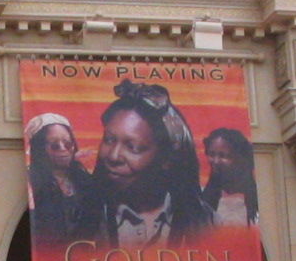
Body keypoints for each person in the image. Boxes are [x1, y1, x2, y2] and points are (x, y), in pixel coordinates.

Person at [74, 79, 212, 246]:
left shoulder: (206, 224)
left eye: (134, 147)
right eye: (109, 140)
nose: (113, 156)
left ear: (166, 159)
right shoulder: (79, 217)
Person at [24, 113, 92, 241]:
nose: (63, 149)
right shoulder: (30, 184)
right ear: (40, 149)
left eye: (67, 143)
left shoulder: (86, 182)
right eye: (55, 145)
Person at [201, 127, 259, 227]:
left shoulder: (256, 201)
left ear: (240, 159)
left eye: (223, 156)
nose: (216, 161)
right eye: (211, 154)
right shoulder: (201, 201)